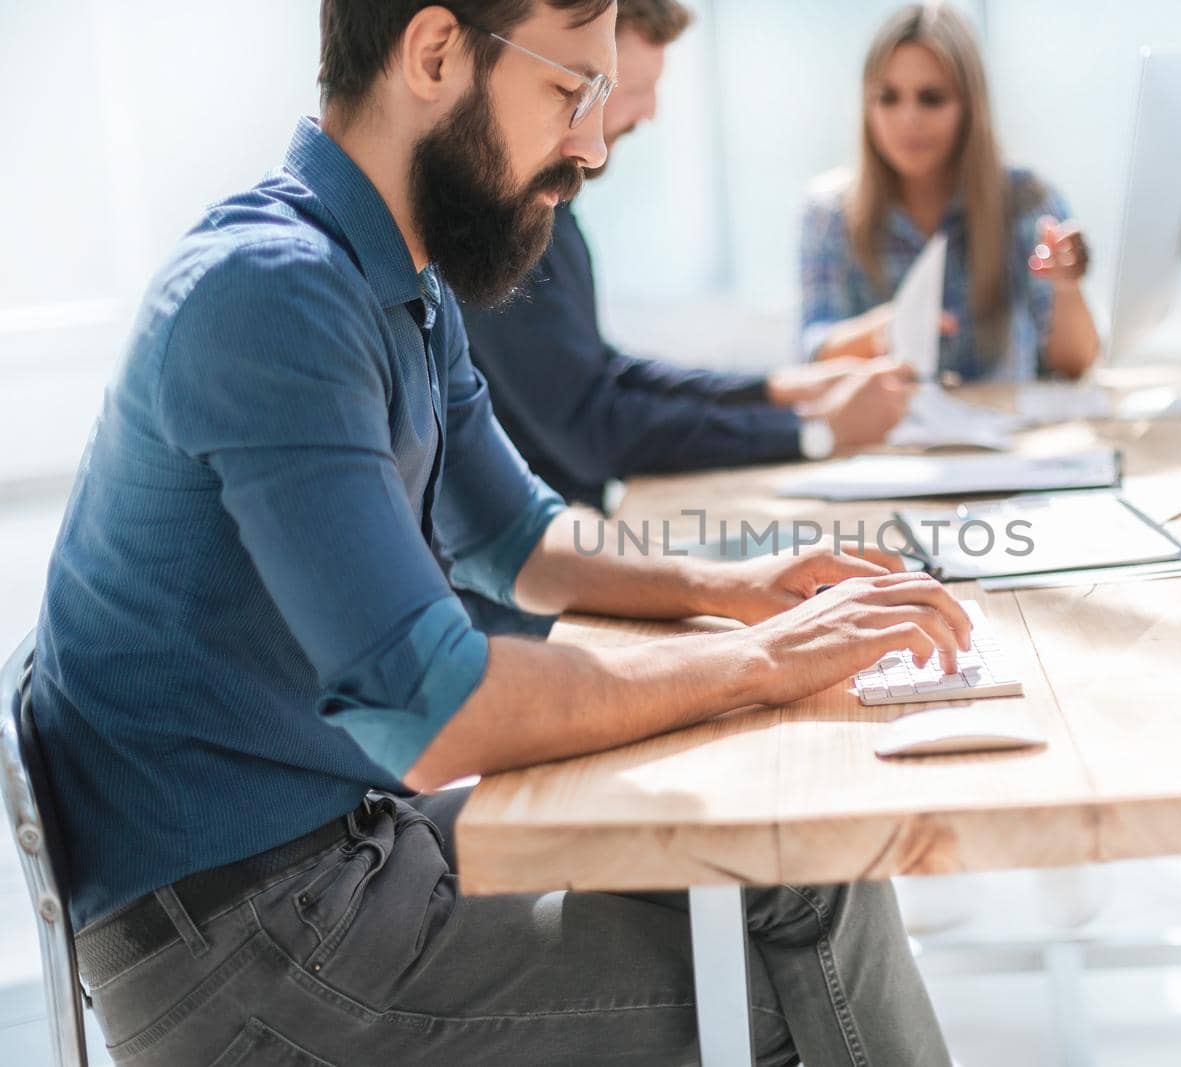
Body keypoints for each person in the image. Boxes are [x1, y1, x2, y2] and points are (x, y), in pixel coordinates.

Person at [31, 3, 962, 1063]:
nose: (594, 145)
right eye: (570, 92)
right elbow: (437, 708)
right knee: (787, 992)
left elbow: (520, 538)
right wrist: (756, 659)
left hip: (339, 856)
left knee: (808, 865)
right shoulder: (271, 298)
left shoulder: (399, 279)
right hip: (247, 951)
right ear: (434, 54)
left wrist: (743, 585)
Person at [462, 0, 912, 514]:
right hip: (545, 563)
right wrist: (812, 431)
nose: (650, 111)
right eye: (621, 90)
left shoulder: (551, 211)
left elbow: (600, 372)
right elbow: (590, 426)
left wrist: (776, 392)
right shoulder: (506, 223)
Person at [799, 2, 1100, 382]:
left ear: (970, 107)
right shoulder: (829, 212)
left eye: (931, 98)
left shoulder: (1026, 198)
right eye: (888, 97)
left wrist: (1066, 286)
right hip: (889, 435)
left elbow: (1074, 364)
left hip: (1004, 429)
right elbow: (813, 355)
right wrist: (886, 329)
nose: (908, 119)